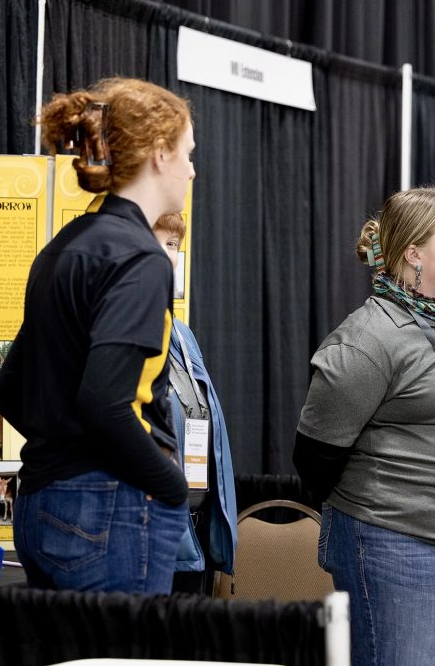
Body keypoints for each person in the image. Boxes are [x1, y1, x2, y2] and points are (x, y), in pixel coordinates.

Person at [293, 187, 435, 666]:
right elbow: (315, 456)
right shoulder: (367, 339)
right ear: (415, 254)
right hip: (399, 546)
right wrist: (389, 508)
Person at [0, 77, 195, 594]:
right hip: (110, 509)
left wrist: (63, 444)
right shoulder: (140, 257)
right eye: (187, 153)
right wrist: (173, 486)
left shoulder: (64, 246)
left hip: (39, 506)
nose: (192, 169)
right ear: (158, 155)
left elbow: (8, 390)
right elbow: (106, 403)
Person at [152, 213, 238, 594]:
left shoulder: (182, 335)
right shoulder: (114, 326)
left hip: (195, 529)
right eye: (159, 241)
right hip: (146, 535)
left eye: (173, 245)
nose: (168, 254)